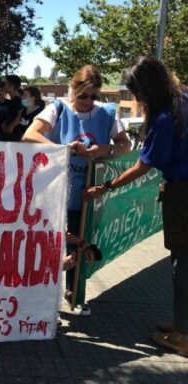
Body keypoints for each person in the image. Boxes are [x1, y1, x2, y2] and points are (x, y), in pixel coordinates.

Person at [84, 56, 188, 356]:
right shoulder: (182, 96)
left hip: (183, 196)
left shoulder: (167, 115)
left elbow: (143, 166)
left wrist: (105, 187)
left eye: (136, 91)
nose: (137, 98)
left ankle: (183, 336)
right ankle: (183, 322)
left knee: (182, 265)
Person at [22, 64, 131, 315]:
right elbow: (30, 135)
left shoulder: (106, 113)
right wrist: (64, 149)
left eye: (94, 96)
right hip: (56, 191)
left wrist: (106, 149)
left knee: (81, 240)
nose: (88, 101)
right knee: (54, 242)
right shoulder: (57, 109)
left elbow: (124, 144)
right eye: (83, 95)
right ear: (72, 89)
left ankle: (74, 292)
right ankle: (47, 296)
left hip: (88, 192)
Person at [0, 75, 23, 142]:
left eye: (5, 84)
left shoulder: (17, 100)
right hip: (8, 134)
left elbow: (21, 113)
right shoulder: (12, 100)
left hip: (14, 136)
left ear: (11, 86)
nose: (3, 86)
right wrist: (5, 123)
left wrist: (11, 126)